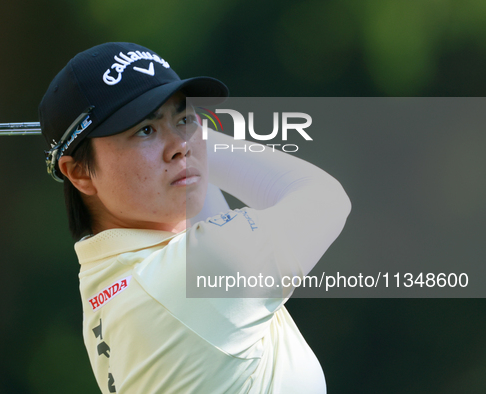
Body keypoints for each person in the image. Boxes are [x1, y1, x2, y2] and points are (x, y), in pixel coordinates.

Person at [38, 42, 351, 394]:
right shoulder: (193, 273)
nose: (181, 144)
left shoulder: (108, 278)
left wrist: (183, 139)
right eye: (144, 130)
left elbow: (199, 208)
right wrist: (195, 140)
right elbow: (324, 198)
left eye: (185, 117)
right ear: (79, 173)